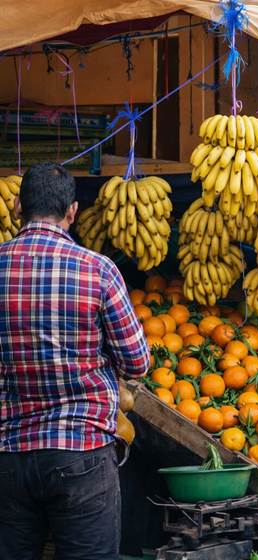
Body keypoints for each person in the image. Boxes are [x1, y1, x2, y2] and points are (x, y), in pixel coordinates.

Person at [0, 163, 150, 560]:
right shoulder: (98, 270)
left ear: (17, 206)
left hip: (8, 454)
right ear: (73, 211)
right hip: (81, 451)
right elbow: (136, 363)